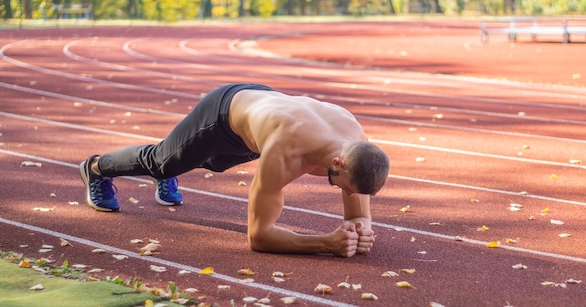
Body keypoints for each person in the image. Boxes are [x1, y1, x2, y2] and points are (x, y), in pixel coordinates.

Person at [80, 83, 390, 257]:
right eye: (345, 187)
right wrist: (326, 243)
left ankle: (179, 162)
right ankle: (95, 167)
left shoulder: (356, 146)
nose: (349, 195)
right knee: (161, 162)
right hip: (222, 115)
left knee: (213, 164)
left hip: (262, 119)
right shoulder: (284, 154)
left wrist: (360, 227)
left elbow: (357, 213)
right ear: (338, 162)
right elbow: (259, 237)